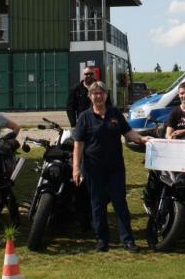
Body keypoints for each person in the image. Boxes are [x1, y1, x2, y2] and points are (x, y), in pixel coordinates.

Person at [72, 81, 150, 253]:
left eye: (101, 93)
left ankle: (128, 240)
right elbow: (78, 144)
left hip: (115, 168)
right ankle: (102, 240)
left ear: (106, 95)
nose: (98, 96)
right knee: (97, 204)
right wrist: (76, 168)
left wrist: (141, 138)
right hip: (93, 169)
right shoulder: (84, 117)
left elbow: (128, 132)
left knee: (120, 203)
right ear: (90, 96)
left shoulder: (115, 114)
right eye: (95, 93)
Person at [143, 82, 185, 211]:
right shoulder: (175, 113)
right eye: (181, 93)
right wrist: (170, 138)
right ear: (179, 95)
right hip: (177, 154)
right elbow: (168, 133)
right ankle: (150, 202)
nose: (184, 95)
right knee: (156, 172)